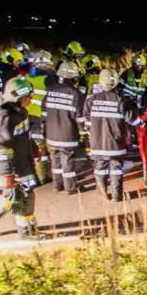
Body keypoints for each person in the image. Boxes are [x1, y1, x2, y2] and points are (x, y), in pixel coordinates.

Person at [0, 77, 43, 239]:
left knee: (22, 194)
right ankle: (25, 230)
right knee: (19, 197)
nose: (31, 100)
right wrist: (6, 174)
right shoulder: (5, 117)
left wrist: (34, 150)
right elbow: (1, 148)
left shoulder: (20, 112)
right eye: (28, 96)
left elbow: (24, 136)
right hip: (13, 166)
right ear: (19, 97)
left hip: (23, 162)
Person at [84, 69, 140, 202]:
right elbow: (133, 120)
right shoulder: (121, 100)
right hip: (116, 143)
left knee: (100, 168)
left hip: (97, 143)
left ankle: (103, 194)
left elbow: (86, 122)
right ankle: (116, 196)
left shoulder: (91, 100)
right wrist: (144, 121)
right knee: (116, 169)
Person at [43, 61, 85, 195]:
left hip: (51, 134)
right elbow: (79, 117)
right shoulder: (76, 94)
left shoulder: (50, 90)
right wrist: (83, 131)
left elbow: (43, 113)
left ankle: (57, 185)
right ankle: (70, 188)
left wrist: (44, 129)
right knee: (67, 161)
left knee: (55, 161)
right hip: (67, 135)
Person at [26, 50, 57, 184]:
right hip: (44, 117)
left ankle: (34, 175)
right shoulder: (50, 77)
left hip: (29, 116)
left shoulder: (28, 77)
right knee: (45, 149)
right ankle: (43, 177)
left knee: (34, 147)